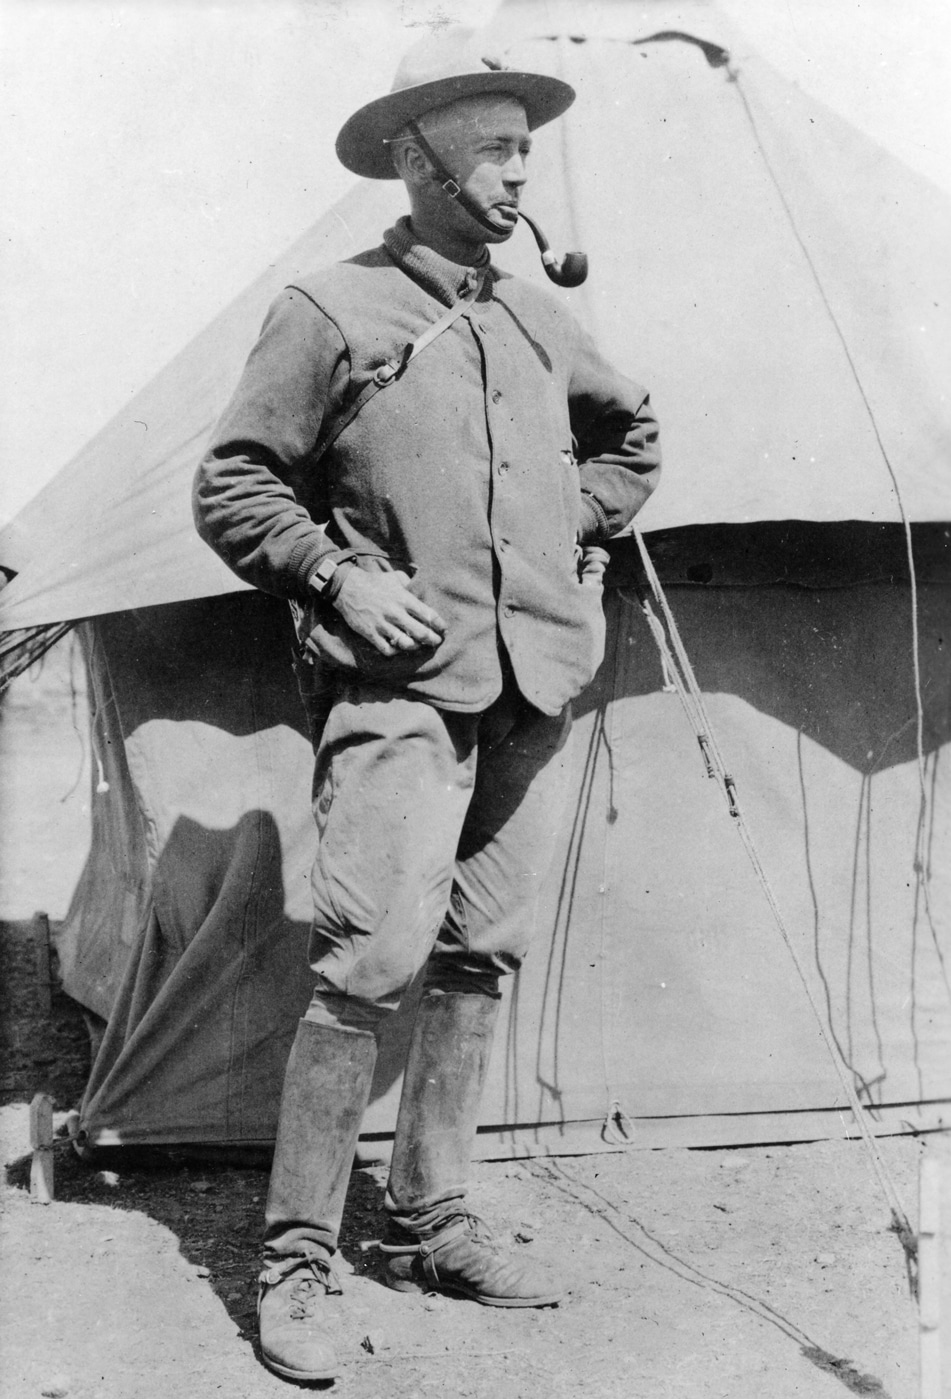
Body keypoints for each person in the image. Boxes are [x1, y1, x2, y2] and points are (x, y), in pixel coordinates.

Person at [193, 26, 661, 1384]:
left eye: (529, 147)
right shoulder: (331, 312)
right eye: (501, 147)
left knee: (477, 958)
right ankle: (295, 1257)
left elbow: (632, 434)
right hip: (399, 694)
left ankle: (427, 1216)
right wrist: (341, 576)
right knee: (365, 967)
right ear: (420, 157)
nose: (525, 174)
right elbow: (234, 484)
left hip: (533, 690)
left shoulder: (532, 315)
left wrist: (563, 528)